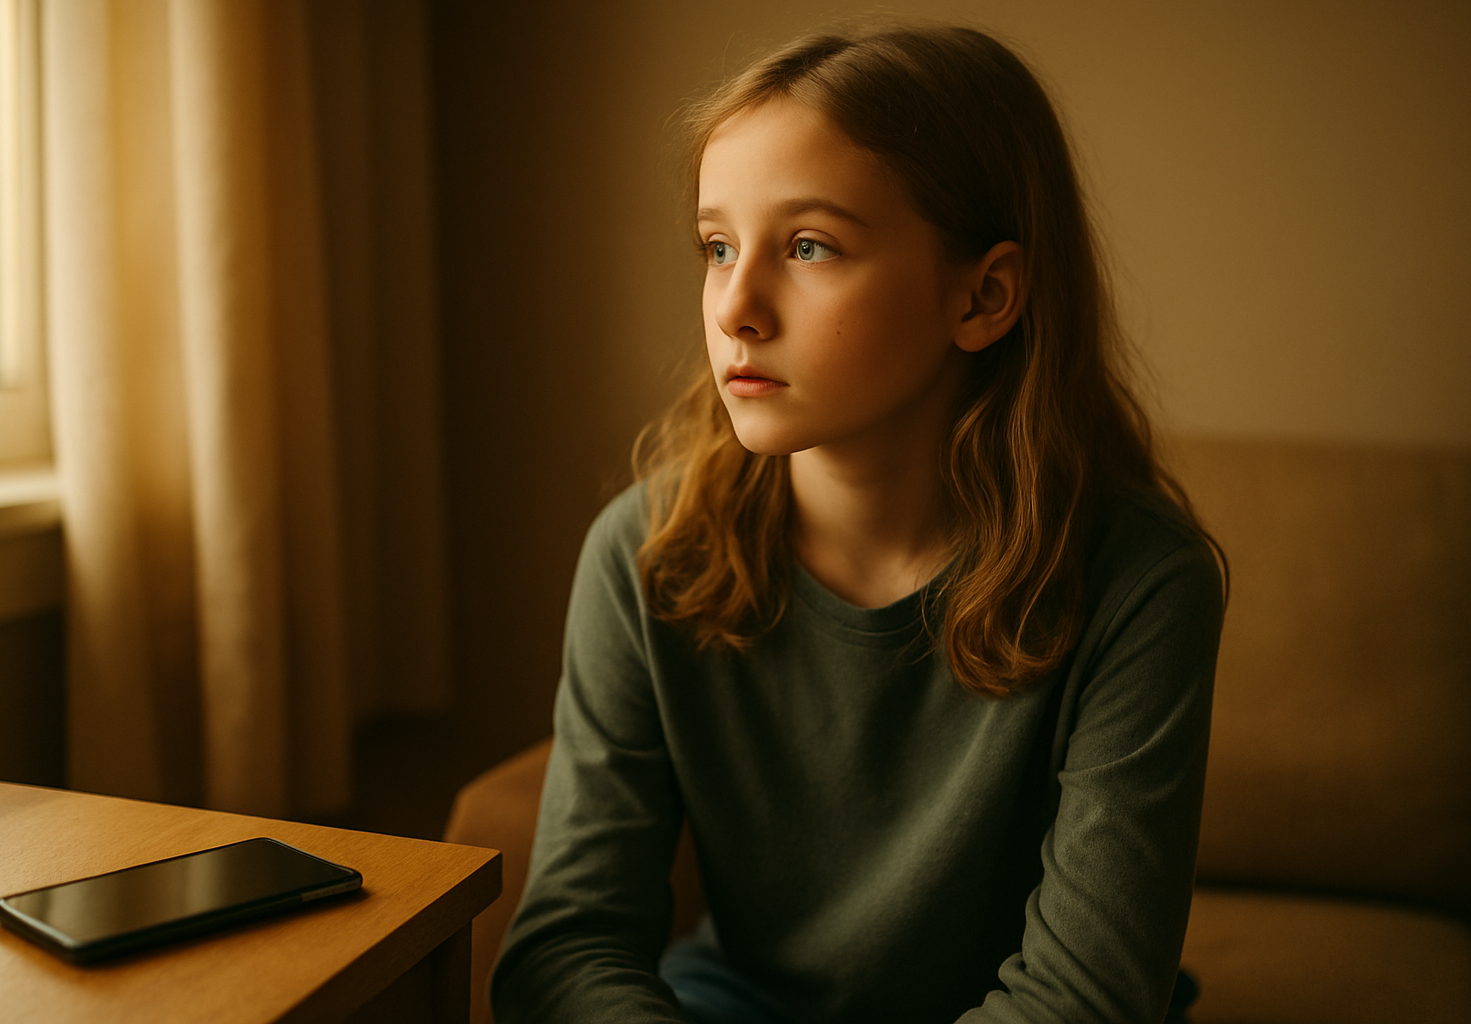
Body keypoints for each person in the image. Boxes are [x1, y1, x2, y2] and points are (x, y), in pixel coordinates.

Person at [492, 22, 1225, 1024]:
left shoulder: (1140, 580)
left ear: (985, 295)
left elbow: (1082, 997)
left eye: (808, 246)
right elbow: (567, 944)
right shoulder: (646, 552)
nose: (736, 306)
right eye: (717, 246)